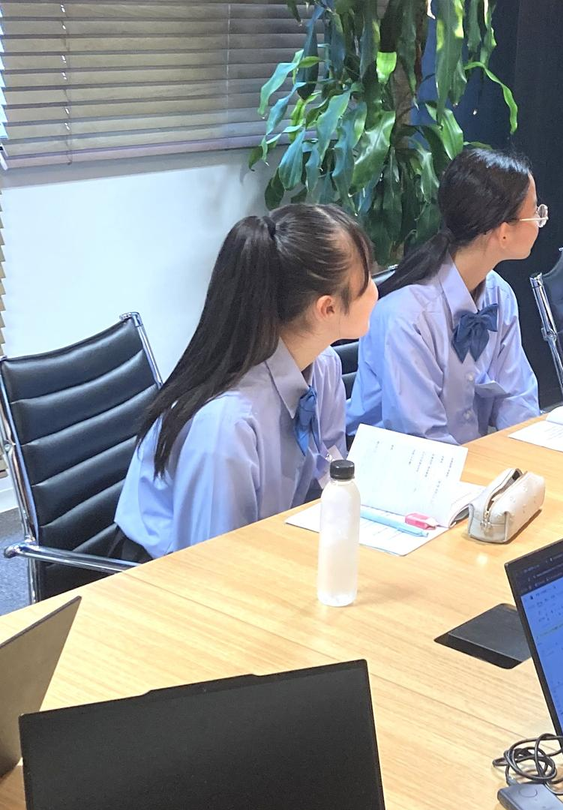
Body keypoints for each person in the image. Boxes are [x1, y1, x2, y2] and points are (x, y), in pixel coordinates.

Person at [116, 204, 377, 558]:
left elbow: (328, 477)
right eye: (366, 280)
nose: (376, 289)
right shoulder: (227, 425)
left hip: (267, 550)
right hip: (166, 578)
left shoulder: (324, 367)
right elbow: (212, 564)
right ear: (327, 308)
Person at [347, 148, 541, 444]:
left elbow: (518, 398)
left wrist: (523, 456)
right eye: (535, 212)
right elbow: (421, 437)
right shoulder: (407, 317)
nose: (540, 220)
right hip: (401, 463)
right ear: (503, 232)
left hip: (468, 457)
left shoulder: (499, 294)